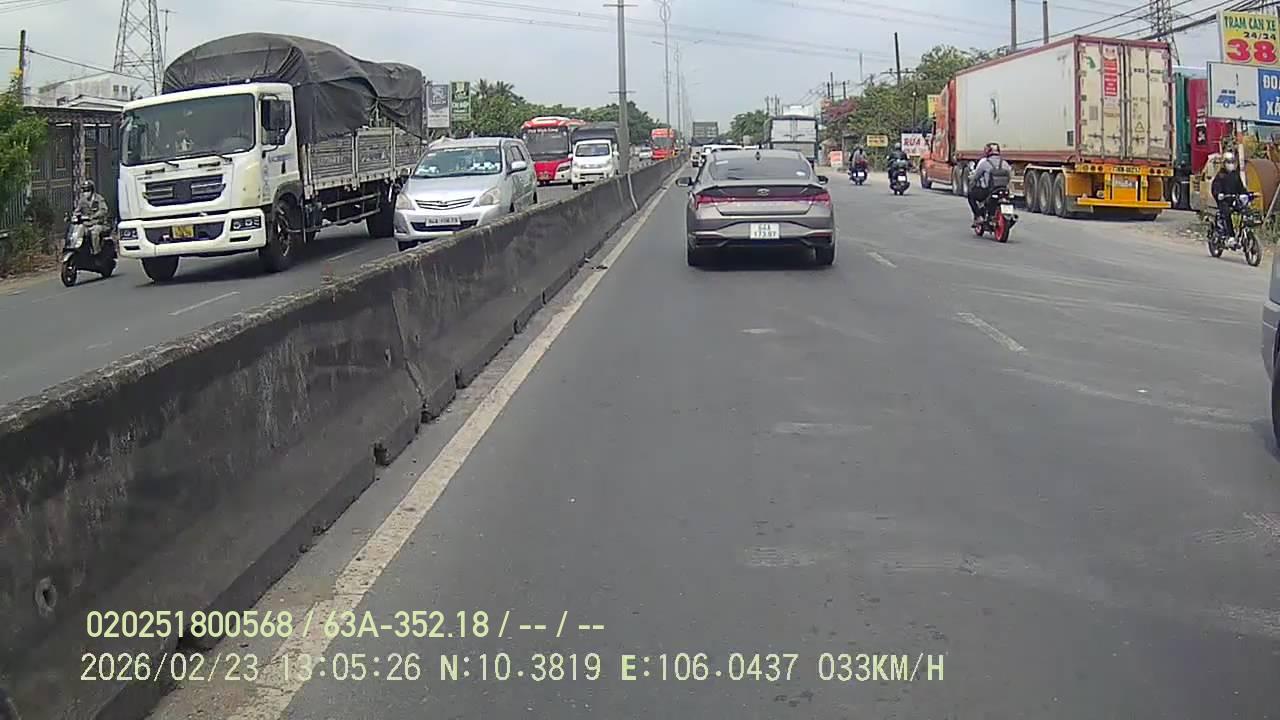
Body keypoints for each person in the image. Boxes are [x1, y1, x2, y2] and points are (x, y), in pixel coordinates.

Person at [967, 142, 1012, 226]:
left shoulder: (984, 163)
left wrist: (971, 185)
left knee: (971, 195)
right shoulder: (1005, 163)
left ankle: (979, 216)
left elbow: (976, 177)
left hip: (988, 191)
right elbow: (1009, 177)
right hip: (1003, 190)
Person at [1211, 152, 1248, 240]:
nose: (1230, 164)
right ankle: (1230, 235)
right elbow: (1215, 187)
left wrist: (1246, 194)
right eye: (1228, 162)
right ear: (1224, 163)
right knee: (1226, 213)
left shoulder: (1235, 175)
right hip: (1224, 201)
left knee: (1245, 211)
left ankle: (1242, 233)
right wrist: (1219, 194)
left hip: (1234, 199)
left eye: (1232, 162)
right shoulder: (1220, 175)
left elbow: (1241, 187)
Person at [74, 179, 110, 254]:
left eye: (87, 190)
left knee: (94, 233)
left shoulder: (99, 199)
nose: (86, 193)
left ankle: (96, 253)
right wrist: (75, 215)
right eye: (84, 190)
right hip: (86, 224)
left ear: (92, 190)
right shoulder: (82, 200)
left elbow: (104, 210)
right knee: (78, 233)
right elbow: (77, 210)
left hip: (99, 224)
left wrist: (94, 216)